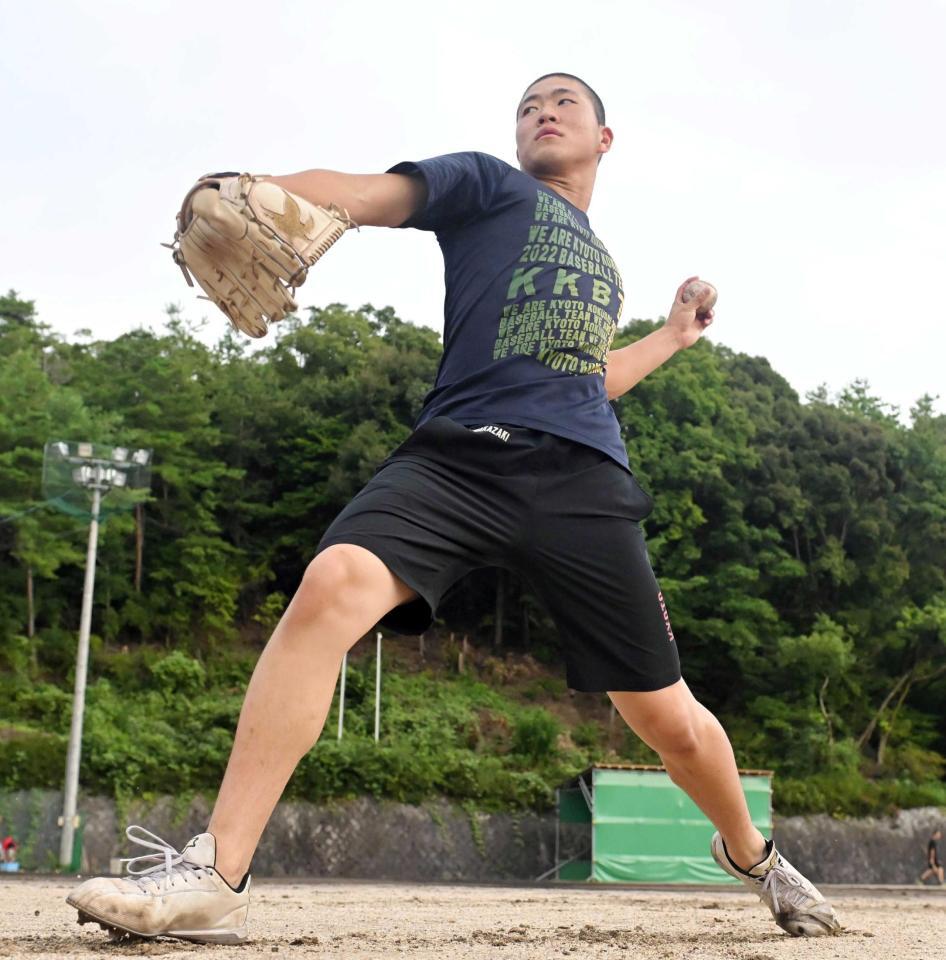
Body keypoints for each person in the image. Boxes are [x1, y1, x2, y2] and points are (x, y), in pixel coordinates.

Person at [67, 72, 839, 942]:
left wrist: (671, 336)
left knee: (669, 720)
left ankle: (757, 858)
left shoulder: (603, 267)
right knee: (333, 584)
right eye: (528, 106)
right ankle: (217, 871)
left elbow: (589, 378)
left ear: (604, 139)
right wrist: (256, 191)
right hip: (461, 453)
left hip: (580, 476)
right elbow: (360, 196)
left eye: (564, 102)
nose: (543, 111)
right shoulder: (487, 184)